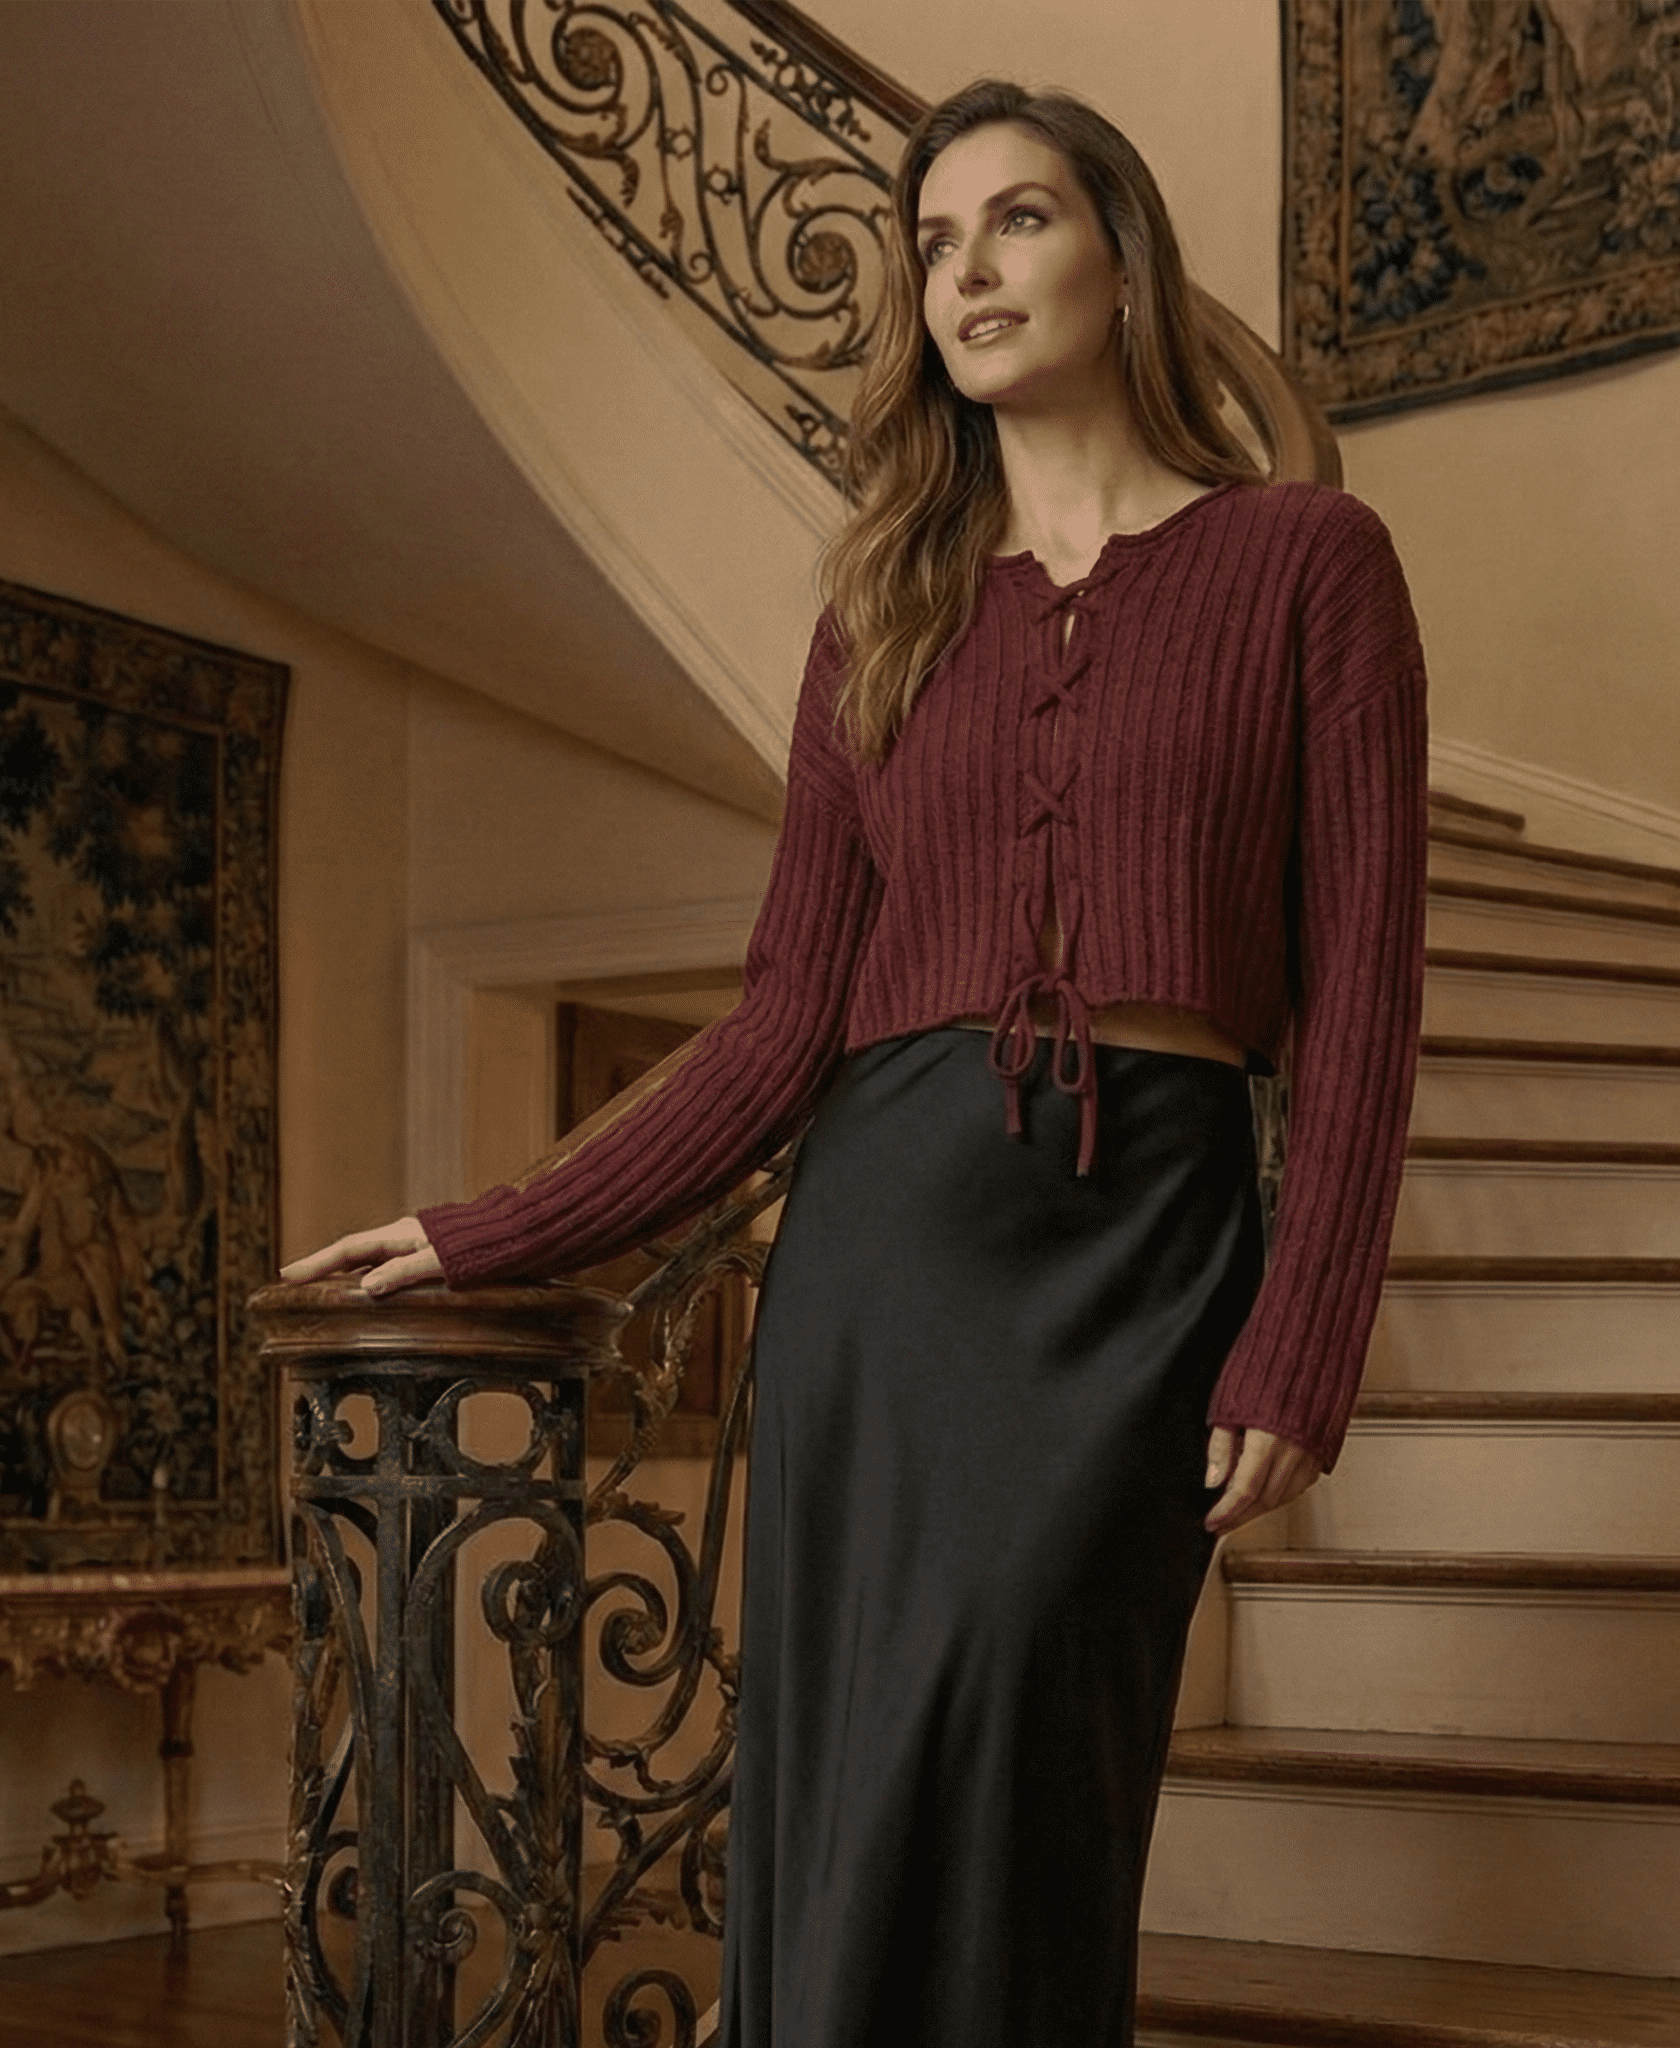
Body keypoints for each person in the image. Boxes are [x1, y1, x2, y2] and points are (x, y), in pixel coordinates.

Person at [284, 77, 1428, 2048]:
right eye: (932, 239)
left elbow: (1367, 999)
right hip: (883, 1261)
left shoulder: (1308, 563)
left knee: (1032, 1760)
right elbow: (782, 1017)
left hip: (1146, 1247)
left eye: (1018, 220)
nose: (966, 272)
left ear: (1120, 254)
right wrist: (496, 1224)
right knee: (858, 1779)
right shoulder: (882, 611)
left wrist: (1301, 1340)